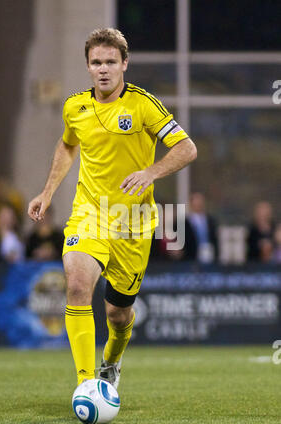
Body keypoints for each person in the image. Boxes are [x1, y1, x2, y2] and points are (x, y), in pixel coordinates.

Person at [28, 28, 197, 390]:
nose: (103, 69)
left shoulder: (143, 105)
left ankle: (112, 362)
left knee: (118, 315)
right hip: (89, 212)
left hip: (132, 222)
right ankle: (86, 382)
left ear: (124, 64)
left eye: (110, 62)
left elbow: (187, 148)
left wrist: (151, 172)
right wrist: (47, 192)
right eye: (96, 63)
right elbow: (67, 146)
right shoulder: (75, 107)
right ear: (88, 67)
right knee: (75, 285)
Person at [184, 192, 218, 263]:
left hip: (209, 255)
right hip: (191, 257)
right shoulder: (185, 222)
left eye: (200, 201)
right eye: (196, 202)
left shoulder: (210, 220)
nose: (198, 204)